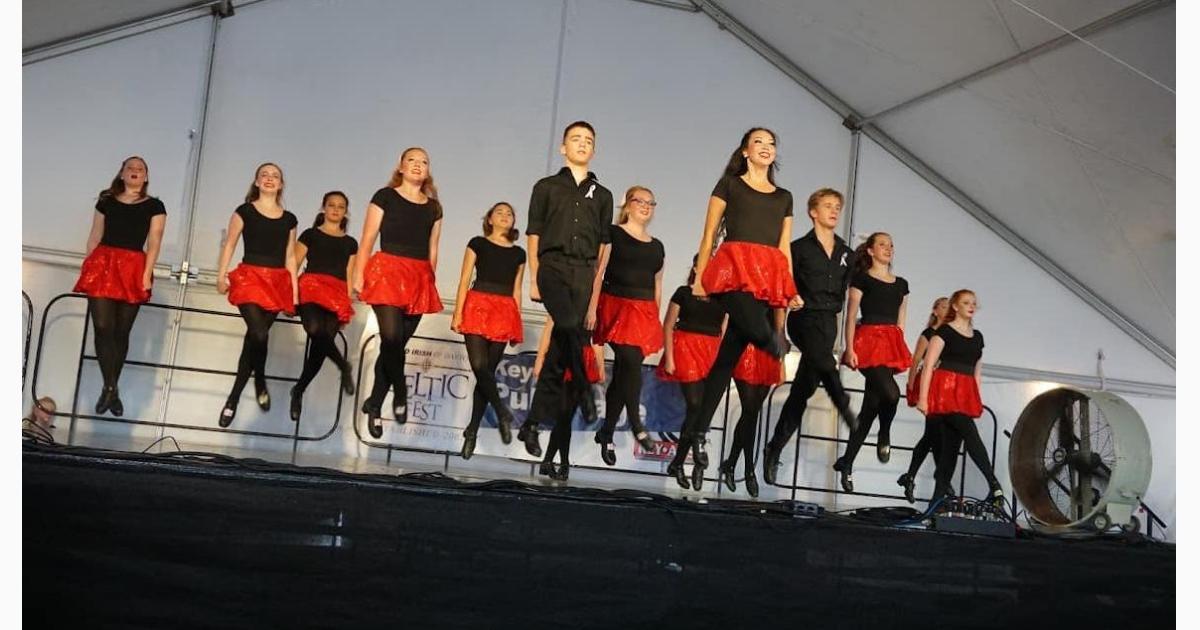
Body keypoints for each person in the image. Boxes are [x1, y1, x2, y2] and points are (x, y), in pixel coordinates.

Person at [683, 127, 798, 486]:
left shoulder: (784, 197)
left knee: (725, 361)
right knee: (750, 323)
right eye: (758, 143)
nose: (766, 148)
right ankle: (771, 341)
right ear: (746, 152)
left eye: (771, 144)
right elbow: (708, 235)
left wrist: (788, 288)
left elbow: (784, 247)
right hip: (733, 269)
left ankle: (696, 435)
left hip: (766, 275)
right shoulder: (729, 186)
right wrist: (701, 277)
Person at [517, 121, 613, 456]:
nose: (582, 144)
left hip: (584, 272)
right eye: (576, 139)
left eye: (589, 140)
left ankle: (531, 425)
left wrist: (594, 292)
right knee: (570, 327)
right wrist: (533, 276)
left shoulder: (602, 195)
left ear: (594, 150)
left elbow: (604, 247)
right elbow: (533, 233)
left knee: (559, 355)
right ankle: (586, 391)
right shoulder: (546, 187)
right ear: (563, 147)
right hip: (553, 267)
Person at [762, 187, 858, 486]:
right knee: (823, 362)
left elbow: (851, 295)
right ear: (813, 211)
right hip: (804, 317)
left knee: (801, 392)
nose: (833, 211)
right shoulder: (798, 248)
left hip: (828, 321)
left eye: (837, 207)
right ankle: (844, 405)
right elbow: (783, 280)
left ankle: (774, 447)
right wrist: (790, 296)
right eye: (827, 205)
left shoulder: (846, 253)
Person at [354, 147, 444, 438]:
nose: (418, 166)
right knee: (391, 338)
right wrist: (358, 274)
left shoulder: (434, 207)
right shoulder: (385, 196)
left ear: (428, 170)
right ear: (401, 167)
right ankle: (401, 392)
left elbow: (433, 250)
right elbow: (367, 239)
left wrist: (429, 282)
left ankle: (375, 403)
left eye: (424, 162)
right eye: (412, 161)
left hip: (419, 277)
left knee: (395, 346)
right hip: (387, 271)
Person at [73, 156, 166, 417]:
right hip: (103, 263)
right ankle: (111, 386)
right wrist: (88, 267)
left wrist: (147, 273)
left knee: (121, 332)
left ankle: (109, 388)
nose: (135, 171)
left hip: (133, 266)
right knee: (103, 326)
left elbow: (155, 242)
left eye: (140, 169)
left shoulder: (155, 205)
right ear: (122, 174)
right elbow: (94, 236)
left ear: (146, 177)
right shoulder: (106, 201)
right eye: (130, 168)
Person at [215, 162, 298, 427]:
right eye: (265, 175)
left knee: (253, 340)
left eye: (275, 176)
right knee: (259, 334)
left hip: (276, 282)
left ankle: (233, 399)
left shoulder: (289, 219)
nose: (270, 179)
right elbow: (230, 243)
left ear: (281, 184)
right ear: (256, 181)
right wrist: (221, 274)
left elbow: (290, 257)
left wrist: (294, 293)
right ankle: (260, 379)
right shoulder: (244, 211)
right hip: (250, 277)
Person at [832, 232, 912, 493]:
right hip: (868, 341)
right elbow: (851, 314)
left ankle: (847, 464)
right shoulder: (862, 278)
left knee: (869, 410)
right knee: (892, 393)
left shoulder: (901, 283)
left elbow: (901, 320)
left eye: (891, 245)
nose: (888, 249)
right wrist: (849, 347)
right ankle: (885, 432)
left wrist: (898, 344)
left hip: (890, 343)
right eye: (882, 244)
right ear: (870, 250)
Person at [592, 186, 665, 464]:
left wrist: (654, 320)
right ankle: (636, 425)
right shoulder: (613, 233)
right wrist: (591, 308)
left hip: (643, 312)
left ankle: (607, 432)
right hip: (615, 305)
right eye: (640, 201)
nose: (646, 206)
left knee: (625, 371)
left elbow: (657, 284)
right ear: (628, 205)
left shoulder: (657, 246)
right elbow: (598, 272)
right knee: (630, 360)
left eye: (651, 202)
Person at [451, 202, 526, 459]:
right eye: (500, 212)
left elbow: (517, 291)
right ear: (490, 219)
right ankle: (501, 411)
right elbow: (463, 280)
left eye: (510, 214)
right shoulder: (477, 243)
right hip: (478, 305)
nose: (505, 216)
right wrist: (457, 312)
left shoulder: (519, 253)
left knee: (487, 376)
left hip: (504, 311)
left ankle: (472, 431)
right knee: (480, 367)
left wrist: (517, 322)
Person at [917, 289, 1004, 505]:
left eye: (974, 303)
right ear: (956, 306)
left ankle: (935, 504)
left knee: (950, 452)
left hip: (965, 391)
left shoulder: (978, 337)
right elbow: (928, 365)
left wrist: (976, 395)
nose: (972, 306)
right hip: (945, 390)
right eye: (966, 302)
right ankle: (994, 484)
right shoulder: (944, 332)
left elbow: (977, 370)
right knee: (970, 433)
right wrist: (923, 398)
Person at [289, 191, 359, 423]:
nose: (336, 210)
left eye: (340, 206)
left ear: (345, 212)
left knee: (320, 348)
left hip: (336, 293)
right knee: (315, 330)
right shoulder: (310, 234)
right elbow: (294, 263)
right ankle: (343, 365)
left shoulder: (350, 243)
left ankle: (298, 390)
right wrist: (290, 293)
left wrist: (347, 303)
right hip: (311, 287)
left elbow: (350, 275)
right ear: (324, 208)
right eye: (331, 205)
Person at [660, 258, 727, 490]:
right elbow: (668, 324)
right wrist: (669, 357)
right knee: (696, 404)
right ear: (696, 268)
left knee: (700, 411)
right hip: (686, 347)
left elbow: (725, 329)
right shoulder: (683, 292)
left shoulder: (722, 296)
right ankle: (690, 458)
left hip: (712, 351)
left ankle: (681, 463)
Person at [716, 312, 785, 497]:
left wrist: (782, 362)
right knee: (750, 410)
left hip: (767, 352)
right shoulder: (744, 288)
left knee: (751, 413)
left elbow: (780, 328)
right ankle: (748, 470)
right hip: (744, 348)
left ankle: (730, 464)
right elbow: (729, 319)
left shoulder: (777, 291)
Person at [530, 318, 605, 481]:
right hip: (563, 357)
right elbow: (549, 329)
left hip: (583, 359)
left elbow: (597, 338)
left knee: (566, 416)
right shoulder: (564, 299)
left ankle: (550, 462)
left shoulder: (593, 306)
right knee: (564, 414)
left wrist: (600, 365)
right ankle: (561, 463)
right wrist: (540, 359)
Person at [897, 296, 948, 503]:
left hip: (942, 388)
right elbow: (916, 359)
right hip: (929, 386)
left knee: (933, 435)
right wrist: (910, 386)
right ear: (935, 311)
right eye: (943, 307)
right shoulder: (928, 334)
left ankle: (911, 476)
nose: (947, 310)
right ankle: (941, 479)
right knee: (933, 433)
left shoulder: (948, 335)